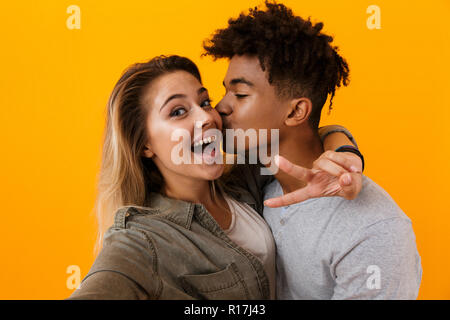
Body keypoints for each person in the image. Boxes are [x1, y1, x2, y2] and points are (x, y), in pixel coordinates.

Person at [67, 55, 363, 300]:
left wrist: (346, 153)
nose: (207, 117)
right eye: (178, 111)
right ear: (145, 144)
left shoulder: (240, 180)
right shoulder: (143, 239)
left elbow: (299, 133)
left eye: (204, 102)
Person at [203, 1, 422, 299]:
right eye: (226, 90)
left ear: (296, 113)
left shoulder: (374, 230)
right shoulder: (259, 180)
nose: (221, 107)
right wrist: (343, 144)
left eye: (240, 94)